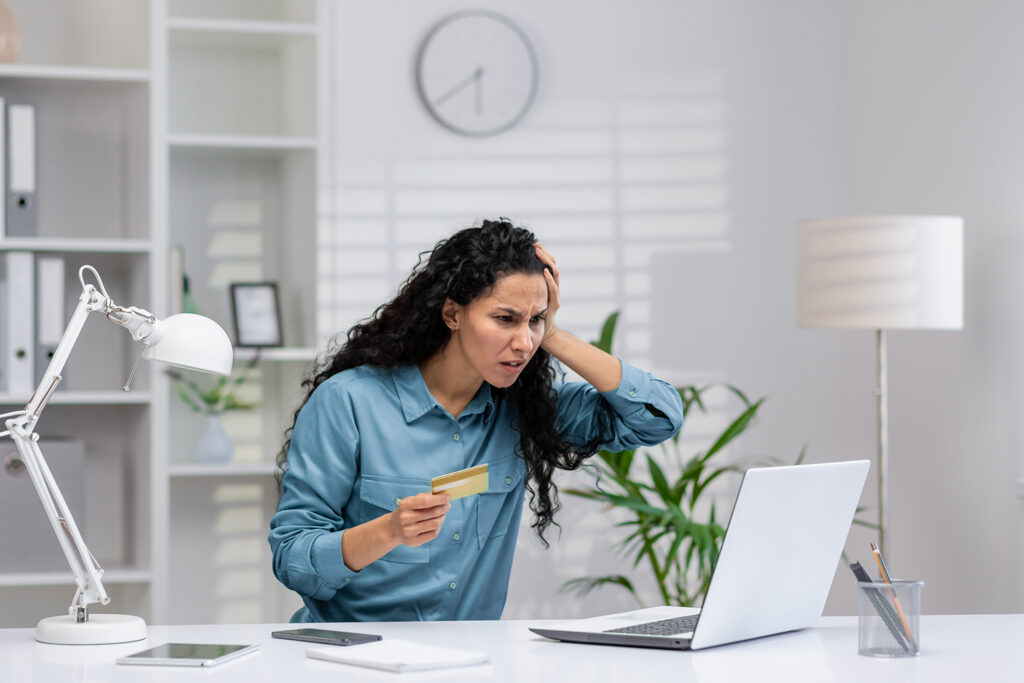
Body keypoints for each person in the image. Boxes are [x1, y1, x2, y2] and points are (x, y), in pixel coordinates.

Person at [268, 219, 684, 622]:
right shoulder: (348, 402)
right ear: (453, 314)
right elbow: (293, 559)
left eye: (535, 320)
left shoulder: (525, 406)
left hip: (474, 660)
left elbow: (657, 418)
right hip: (353, 657)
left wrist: (553, 336)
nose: (524, 343)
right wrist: (389, 532)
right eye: (505, 319)